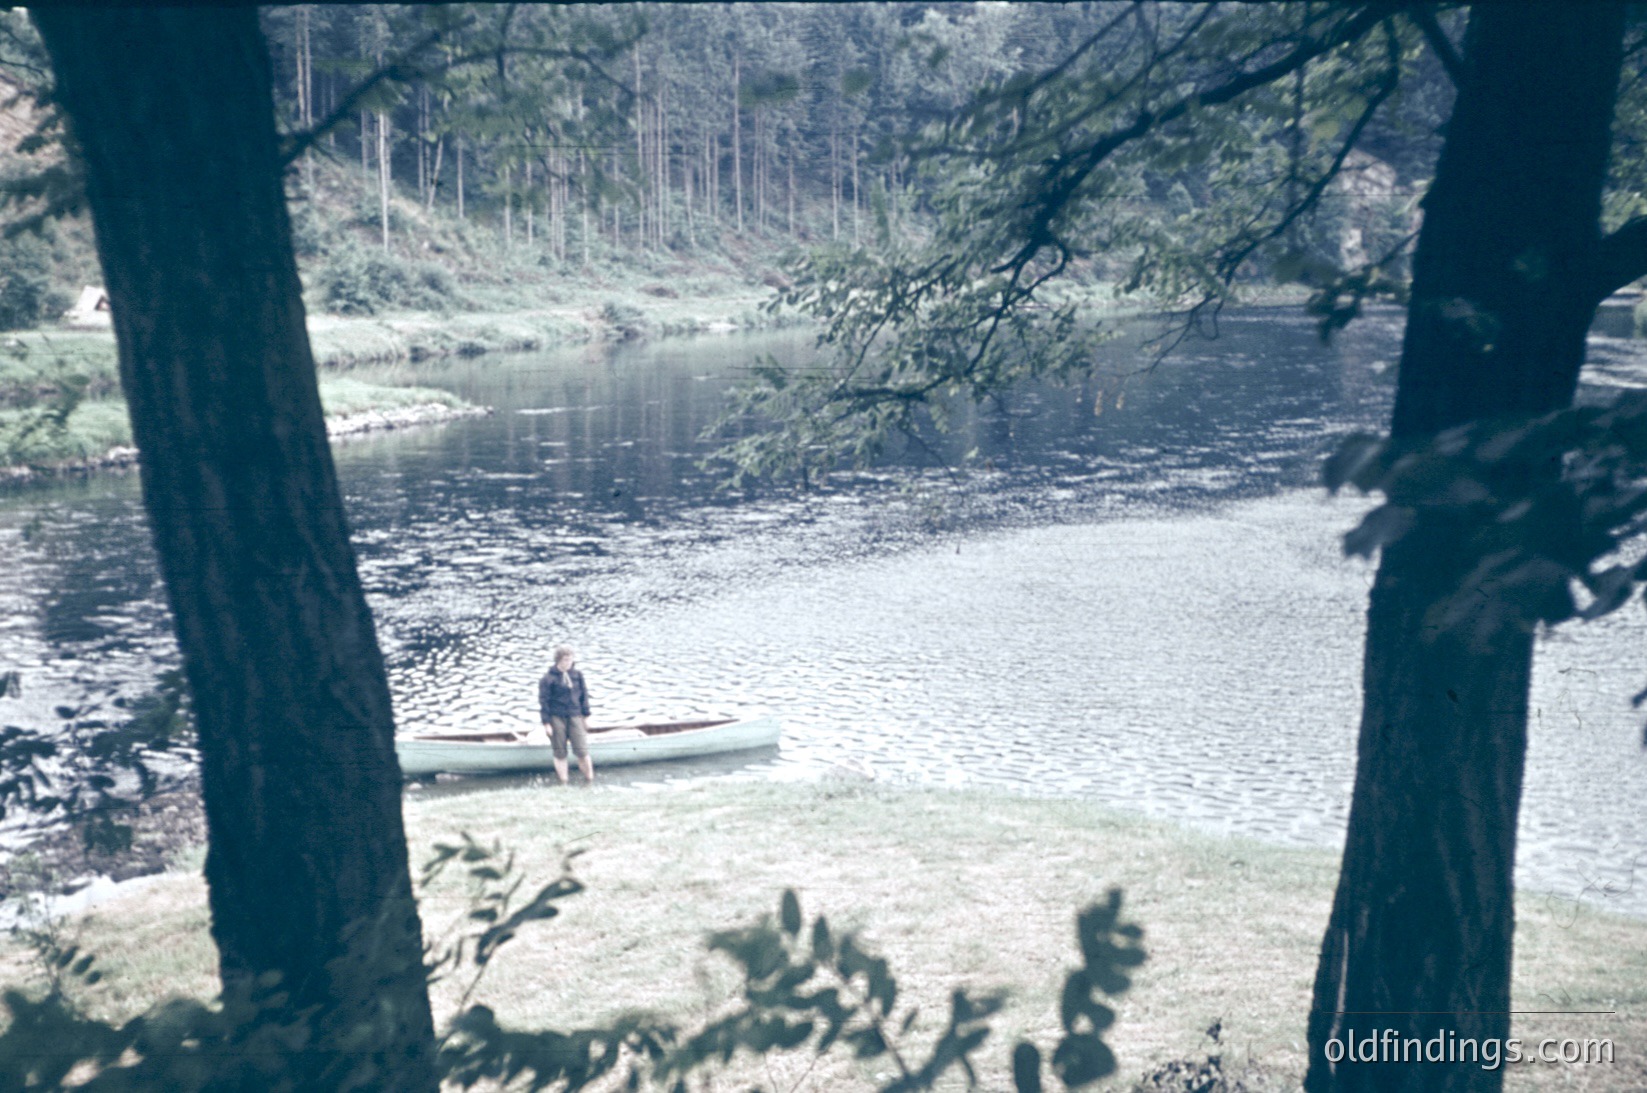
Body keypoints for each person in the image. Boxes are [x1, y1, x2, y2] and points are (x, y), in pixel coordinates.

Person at [538, 645, 593, 785]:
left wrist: (586, 716)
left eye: (570, 660)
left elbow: (584, 696)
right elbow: (544, 702)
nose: (568, 663)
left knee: (582, 751)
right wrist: (546, 723)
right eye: (565, 660)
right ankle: (564, 782)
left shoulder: (577, 675)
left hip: (575, 715)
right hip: (557, 717)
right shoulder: (548, 679)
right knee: (560, 752)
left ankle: (589, 780)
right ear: (558, 660)